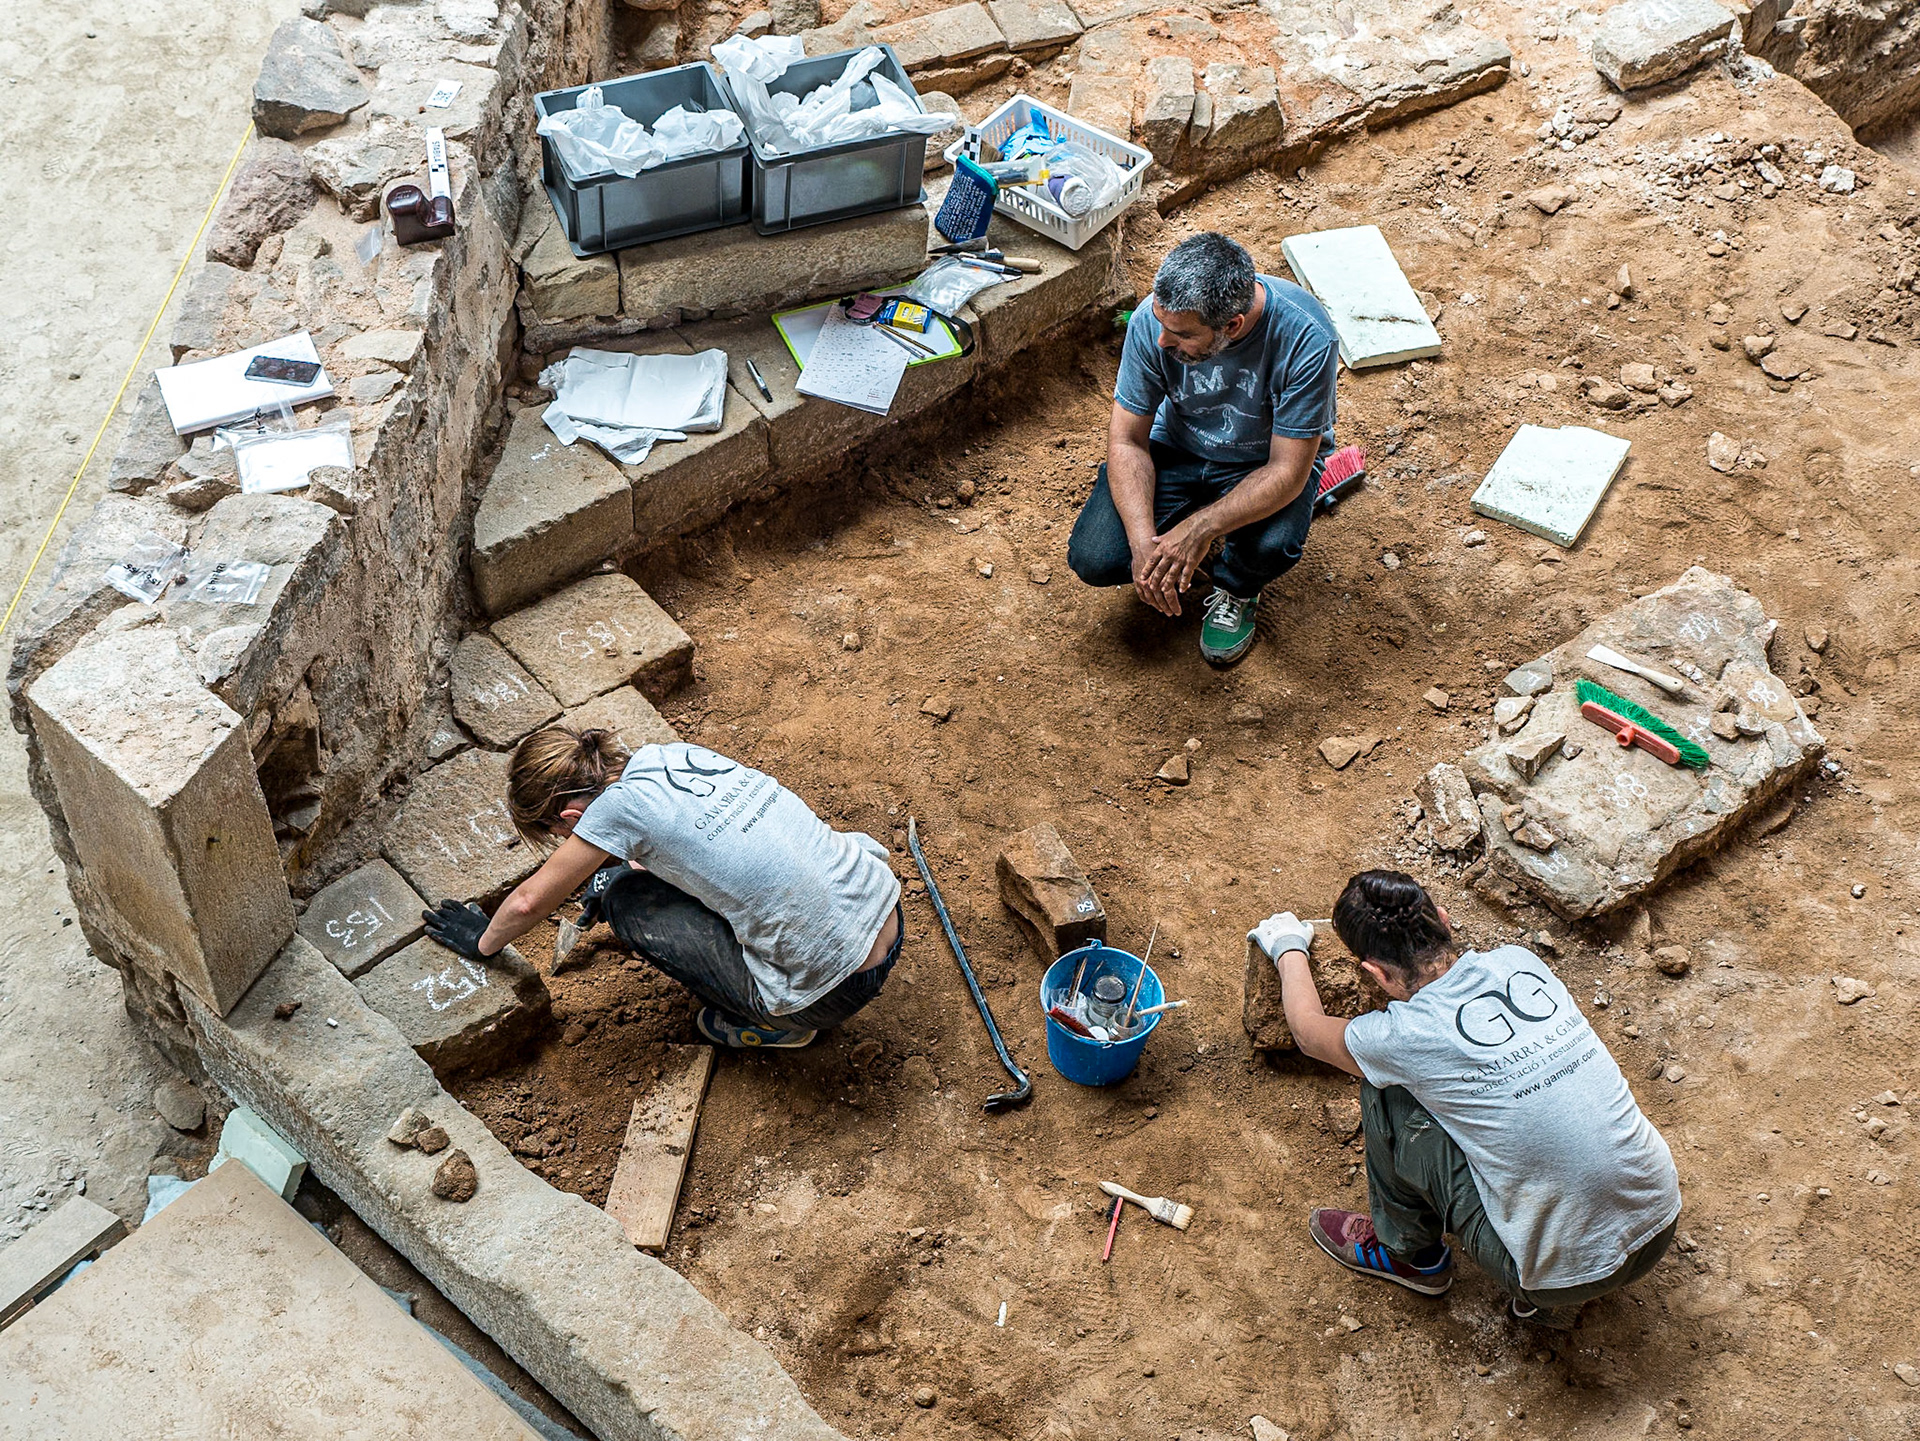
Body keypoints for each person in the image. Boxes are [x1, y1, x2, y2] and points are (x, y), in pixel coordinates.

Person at [1253, 871, 1680, 1326]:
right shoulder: (1520, 962)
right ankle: (1553, 1282)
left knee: (1386, 1088)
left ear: (1375, 972)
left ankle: (1413, 1257)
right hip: (1660, 1218)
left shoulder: (1402, 1036)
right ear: (1444, 920)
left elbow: (1308, 1032)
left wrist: (1288, 946)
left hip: (1565, 1277)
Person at [422, 726, 902, 1049]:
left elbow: (528, 902)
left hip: (827, 994)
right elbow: (697, 845)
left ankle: (776, 1027)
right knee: (647, 874)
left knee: (624, 897)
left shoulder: (612, 811)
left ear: (571, 817)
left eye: (565, 837)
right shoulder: (668, 756)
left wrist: (481, 940)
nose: (573, 844)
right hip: (887, 915)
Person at [1067, 231, 1340, 667]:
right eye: (1160, 323)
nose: (1162, 342)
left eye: (1180, 335)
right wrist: (1143, 545)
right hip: (1175, 447)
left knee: (1271, 547)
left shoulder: (1306, 338)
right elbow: (1127, 440)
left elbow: (1286, 470)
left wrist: (1198, 531)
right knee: (1097, 557)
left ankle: (1236, 587)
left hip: (1261, 463)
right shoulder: (1152, 322)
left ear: (1231, 325)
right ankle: (1209, 524)